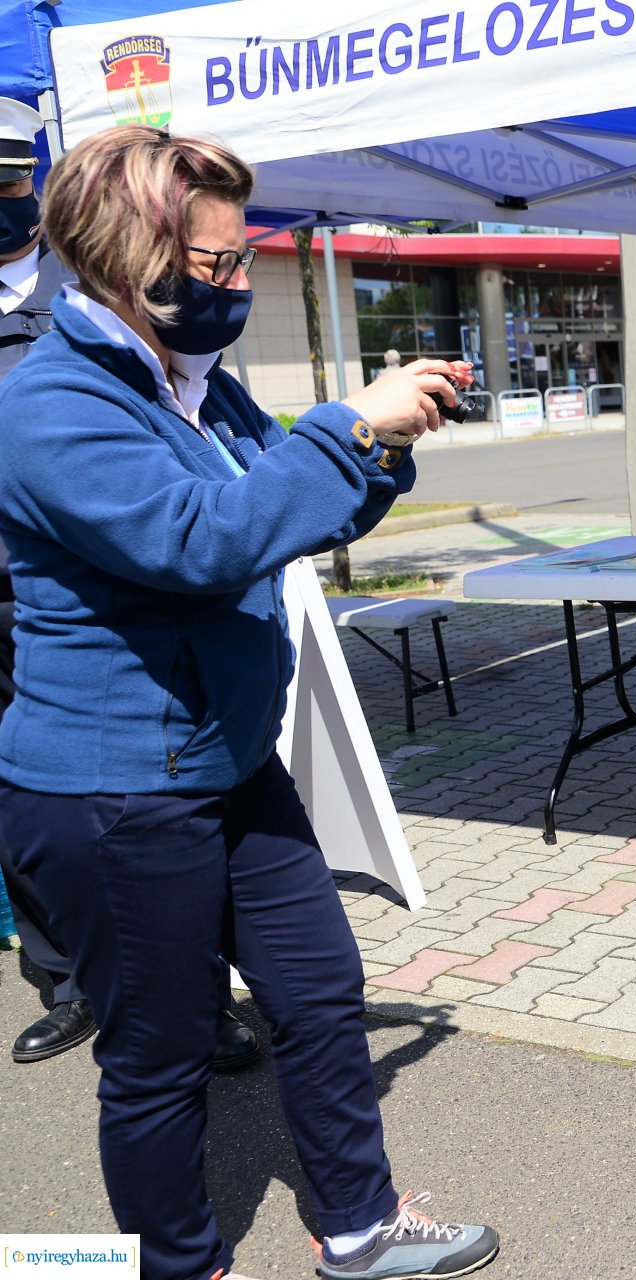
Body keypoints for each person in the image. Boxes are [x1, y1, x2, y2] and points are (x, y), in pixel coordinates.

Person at [0, 125, 498, 1280]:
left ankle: (360, 1226)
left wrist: (381, 448)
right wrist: (348, 425)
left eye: (240, 261)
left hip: (225, 759)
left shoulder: (196, 386)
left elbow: (287, 505)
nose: (235, 282)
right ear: (127, 257)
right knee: (159, 1059)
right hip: (113, 788)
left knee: (321, 994)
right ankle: (177, 1265)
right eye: (216, 265)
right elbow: (200, 542)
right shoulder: (49, 405)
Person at [0, 99, 262, 1073]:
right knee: (41, 798)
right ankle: (72, 982)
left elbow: (205, 526)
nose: (0, 196)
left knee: (159, 844)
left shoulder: (116, 322)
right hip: (31, 612)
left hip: (117, 624)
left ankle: (183, 998)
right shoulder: (59, 372)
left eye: (9, 175)